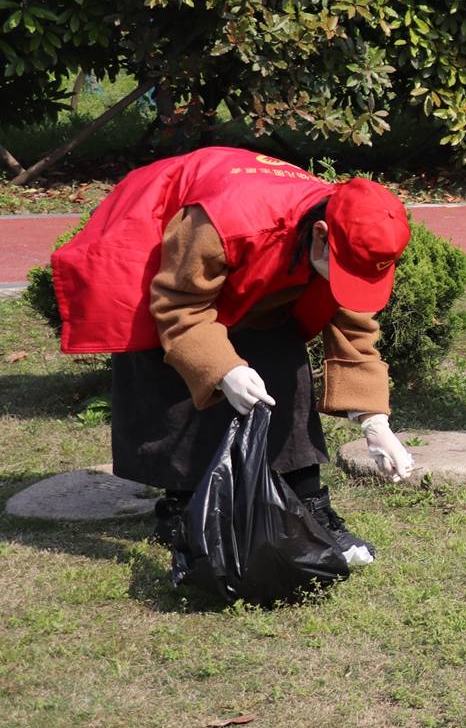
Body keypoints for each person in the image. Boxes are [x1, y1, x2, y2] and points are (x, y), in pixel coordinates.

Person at [52, 147, 415, 563]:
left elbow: (354, 327)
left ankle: (309, 504)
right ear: (319, 234)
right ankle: (183, 506)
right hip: (165, 245)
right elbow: (179, 305)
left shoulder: (352, 234)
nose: (347, 283)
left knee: (282, 359)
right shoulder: (223, 222)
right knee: (170, 364)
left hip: (255, 248)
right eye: (343, 270)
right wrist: (223, 369)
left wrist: (374, 422)